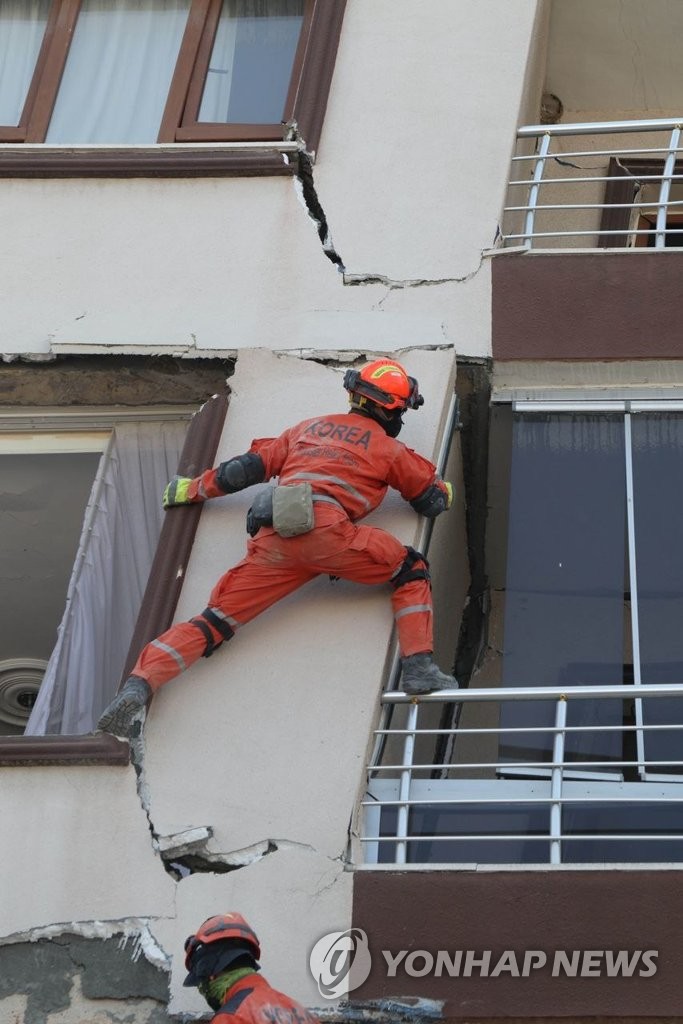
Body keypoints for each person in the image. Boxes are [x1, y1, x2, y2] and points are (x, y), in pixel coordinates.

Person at [97, 358, 458, 737]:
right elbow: (429, 501)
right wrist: (443, 489)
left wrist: (189, 490)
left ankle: (139, 684)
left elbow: (242, 470)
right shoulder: (388, 449)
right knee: (410, 568)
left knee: (213, 622)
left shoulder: (307, 429)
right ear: (393, 410)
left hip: (277, 537)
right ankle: (418, 669)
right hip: (332, 536)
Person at [183, 913, 320, 1023]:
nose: (203, 992)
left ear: (209, 972)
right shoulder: (300, 1013)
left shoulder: (231, 1018)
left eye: (201, 985)